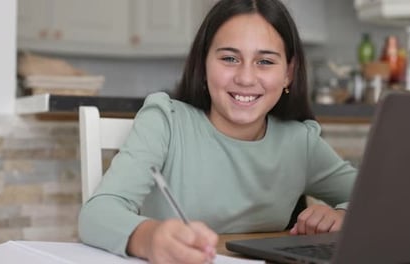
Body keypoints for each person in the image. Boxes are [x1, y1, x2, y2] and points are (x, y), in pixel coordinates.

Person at [78, 0, 357, 263]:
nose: (246, 78)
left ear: (289, 73)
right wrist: (150, 238)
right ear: (203, 64)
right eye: (229, 58)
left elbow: (384, 200)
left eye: (265, 61)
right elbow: (96, 214)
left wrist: (343, 215)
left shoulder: (300, 143)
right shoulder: (166, 121)